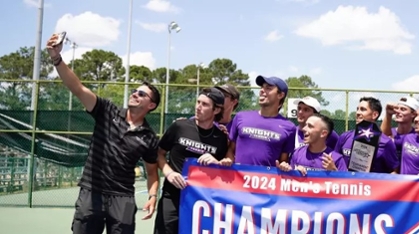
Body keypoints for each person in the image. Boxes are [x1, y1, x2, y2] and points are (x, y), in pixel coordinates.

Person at [46, 33, 160, 234]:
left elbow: (152, 172)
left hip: (122, 197)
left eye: (141, 94)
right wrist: (57, 58)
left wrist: (152, 196)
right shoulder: (107, 110)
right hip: (92, 192)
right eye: (135, 90)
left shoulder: (149, 137)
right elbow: (79, 89)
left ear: (151, 105)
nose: (135, 94)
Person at [153, 88, 229, 234]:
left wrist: (216, 163)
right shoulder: (179, 126)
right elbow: (159, 153)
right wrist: (168, 173)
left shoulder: (220, 138)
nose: (198, 107)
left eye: (204, 104)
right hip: (172, 196)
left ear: (216, 110)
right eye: (198, 102)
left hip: (201, 201)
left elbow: (223, 174)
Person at [222, 76, 296, 166]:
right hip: (238, 178)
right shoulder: (240, 117)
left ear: (280, 95)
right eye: (262, 87)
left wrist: (284, 165)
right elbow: (230, 149)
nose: (262, 90)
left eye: (268, 88)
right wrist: (228, 160)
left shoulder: (289, 127)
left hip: (268, 179)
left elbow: (284, 160)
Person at [334, 97, 399, 174]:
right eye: (357, 109)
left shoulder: (386, 142)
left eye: (363, 109)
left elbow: (394, 171)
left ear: (374, 115)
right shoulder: (345, 136)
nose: (358, 113)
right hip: (347, 185)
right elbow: (335, 160)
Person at [277, 113, 347, 175]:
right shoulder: (297, 153)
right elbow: (288, 183)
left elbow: (347, 186)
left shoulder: (336, 159)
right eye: (305, 125)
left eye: (310, 126)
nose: (304, 129)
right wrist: (288, 170)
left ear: (323, 133)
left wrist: (334, 172)